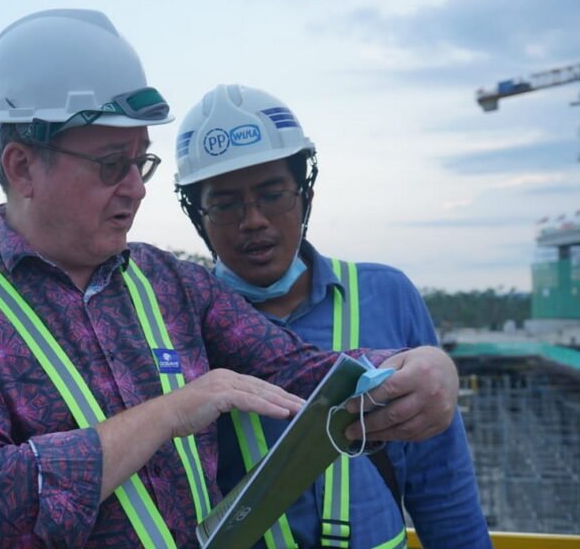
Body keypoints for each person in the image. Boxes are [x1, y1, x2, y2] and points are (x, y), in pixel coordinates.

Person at [0, 10, 459, 549]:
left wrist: (406, 369)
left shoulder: (169, 282)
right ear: (22, 167)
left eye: (141, 163)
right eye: (111, 165)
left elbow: (295, 369)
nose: (137, 188)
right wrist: (169, 413)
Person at [174, 84, 492, 548]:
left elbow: (440, 477)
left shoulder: (386, 296)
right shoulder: (174, 326)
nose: (253, 220)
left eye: (272, 195)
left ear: (305, 193)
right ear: (198, 216)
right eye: (224, 204)